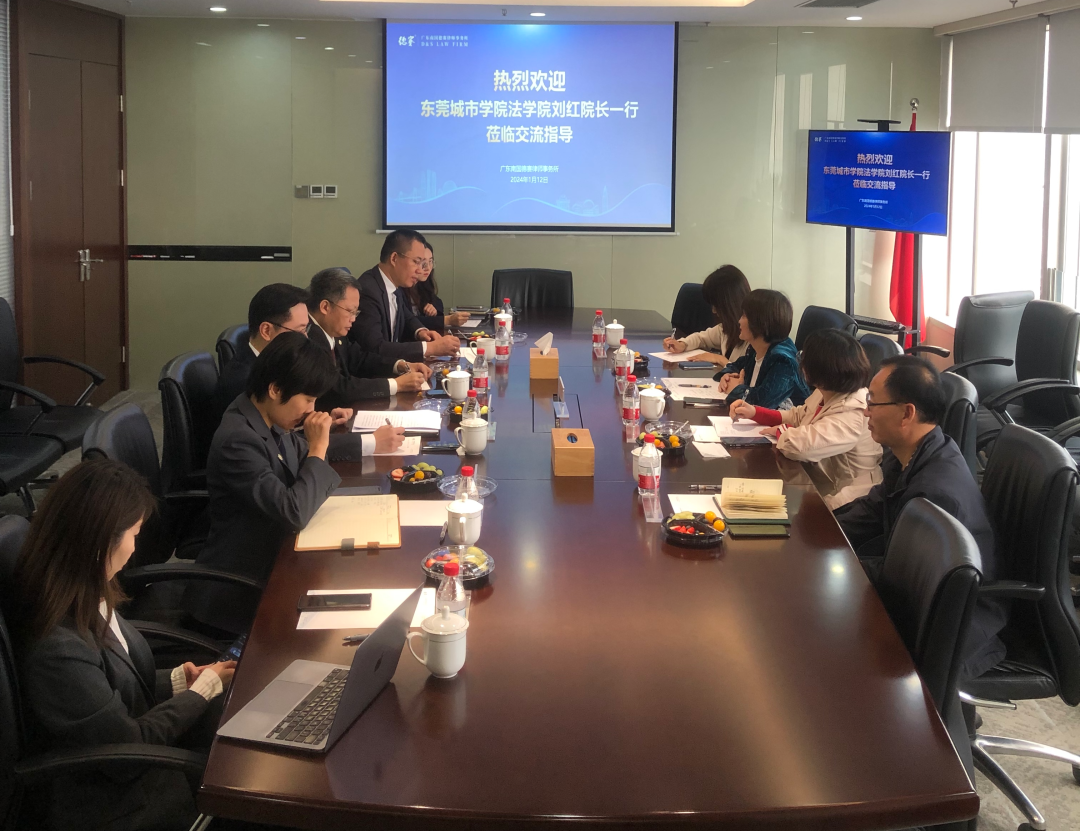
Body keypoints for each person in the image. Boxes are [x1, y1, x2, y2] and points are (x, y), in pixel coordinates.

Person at [12, 459, 236, 831]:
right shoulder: (57, 649)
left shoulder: (82, 591)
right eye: (134, 533)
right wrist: (202, 691)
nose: (134, 548)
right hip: (119, 798)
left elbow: (110, 681)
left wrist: (178, 681)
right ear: (101, 544)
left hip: (136, 751)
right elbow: (126, 753)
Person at [187, 333, 396, 635]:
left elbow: (303, 449)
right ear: (275, 389)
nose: (312, 409)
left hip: (280, 556)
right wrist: (319, 448)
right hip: (241, 588)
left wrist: (329, 441)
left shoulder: (264, 415)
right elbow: (292, 511)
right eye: (308, 399)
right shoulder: (238, 439)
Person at [833, 355, 1005, 679]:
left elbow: (903, 578)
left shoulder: (934, 495)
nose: (866, 411)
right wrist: (818, 531)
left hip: (955, 626)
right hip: (917, 594)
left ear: (907, 413)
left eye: (872, 402)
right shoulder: (918, 453)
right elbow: (871, 510)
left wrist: (832, 568)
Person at [214, 282, 402, 461]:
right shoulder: (243, 381)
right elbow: (283, 445)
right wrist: (369, 443)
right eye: (300, 330)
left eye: (307, 329)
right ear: (266, 331)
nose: (306, 338)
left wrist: (317, 423)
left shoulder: (274, 365)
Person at [729, 329, 881, 508]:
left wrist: (781, 430)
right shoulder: (828, 390)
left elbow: (799, 447)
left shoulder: (853, 412)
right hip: (819, 483)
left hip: (850, 501)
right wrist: (755, 412)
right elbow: (798, 416)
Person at [307, 267, 432, 411]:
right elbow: (337, 388)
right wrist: (396, 385)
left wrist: (400, 365)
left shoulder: (332, 329)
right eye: (350, 311)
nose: (353, 319)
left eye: (356, 312)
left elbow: (359, 359)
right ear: (325, 307)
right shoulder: (308, 339)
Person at [349, 229, 461, 361]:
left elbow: (405, 315)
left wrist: (421, 331)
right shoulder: (368, 291)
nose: (420, 270)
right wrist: (430, 348)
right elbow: (375, 347)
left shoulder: (394, 285)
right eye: (416, 262)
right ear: (394, 258)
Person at [715, 289, 810, 409]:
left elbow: (763, 403)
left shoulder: (784, 362)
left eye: (744, 316)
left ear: (759, 323)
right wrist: (727, 377)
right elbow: (736, 365)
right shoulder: (756, 349)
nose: (739, 321)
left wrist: (737, 389)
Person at [662, 265, 751, 367]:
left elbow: (749, 375)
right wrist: (682, 344)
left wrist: (720, 359)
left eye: (716, 305)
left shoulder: (754, 337)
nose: (714, 311)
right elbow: (701, 338)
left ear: (729, 304)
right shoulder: (726, 329)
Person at [406, 240, 470, 333]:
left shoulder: (422, 284)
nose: (428, 268)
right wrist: (447, 320)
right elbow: (408, 321)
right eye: (422, 262)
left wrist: (433, 309)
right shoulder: (401, 286)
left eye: (430, 261)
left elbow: (437, 302)